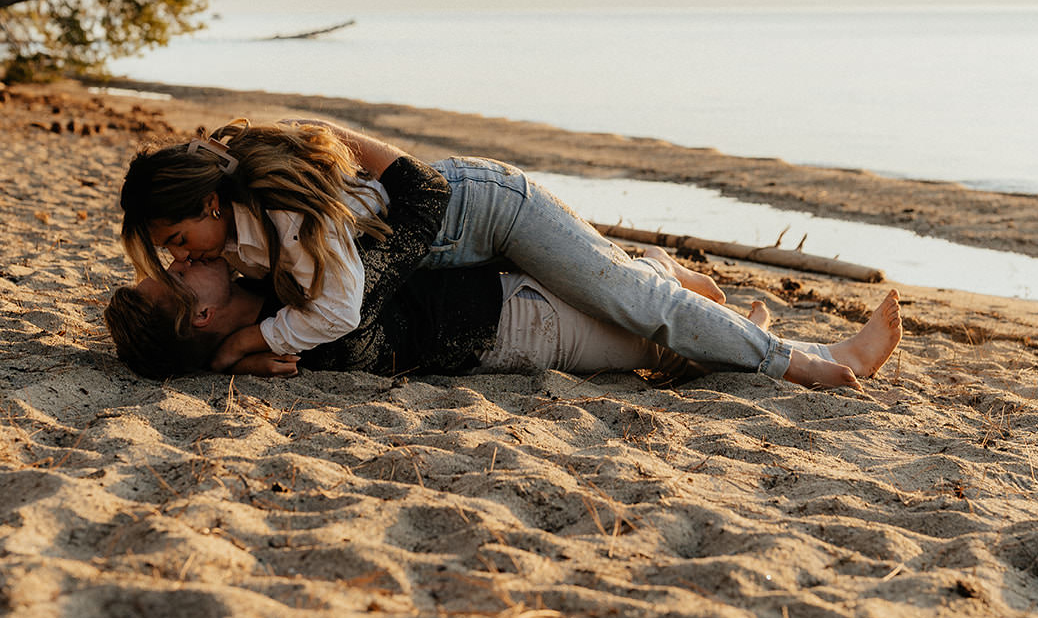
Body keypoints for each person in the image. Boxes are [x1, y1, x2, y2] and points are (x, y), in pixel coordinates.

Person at [115, 117, 902, 390]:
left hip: (483, 211)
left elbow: (339, 305)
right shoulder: (245, 252)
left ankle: (811, 363)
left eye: (179, 243)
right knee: (624, 295)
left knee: (628, 298)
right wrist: (234, 353)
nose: (177, 260)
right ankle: (692, 292)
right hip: (467, 250)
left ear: (211, 207)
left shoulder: (283, 219)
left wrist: (252, 341)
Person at [105, 247, 904, 388]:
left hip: (510, 300)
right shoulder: (291, 332)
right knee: (650, 325)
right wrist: (231, 356)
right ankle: (836, 357)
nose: (177, 261)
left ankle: (717, 312)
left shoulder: (272, 296)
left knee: (650, 302)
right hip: (518, 332)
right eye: (171, 278)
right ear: (201, 313)